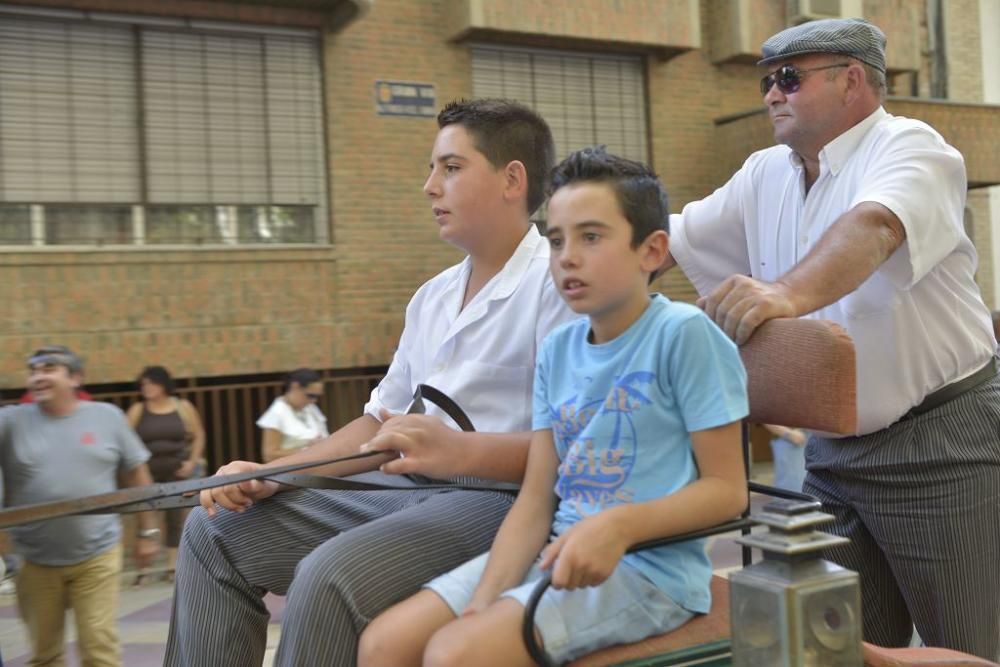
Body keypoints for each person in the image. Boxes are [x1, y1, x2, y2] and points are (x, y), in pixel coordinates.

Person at [164, 98, 578, 666]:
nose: (429, 186)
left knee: (328, 576)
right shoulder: (431, 297)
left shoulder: (558, 287)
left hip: (502, 502)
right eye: (433, 169)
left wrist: (460, 450)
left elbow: (579, 447)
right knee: (213, 533)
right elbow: (377, 422)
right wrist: (274, 475)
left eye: (451, 168)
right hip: (409, 493)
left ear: (512, 180)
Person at [662, 17, 1000, 659]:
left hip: (941, 445)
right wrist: (573, 245)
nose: (770, 95)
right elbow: (668, 240)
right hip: (832, 456)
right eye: (767, 81)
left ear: (852, 81)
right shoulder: (764, 172)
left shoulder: (912, 148)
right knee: (838, 646)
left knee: (970, 644)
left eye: (789, 78)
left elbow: (874, 226)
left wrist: (783, 294)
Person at [357, 148, 749, 667]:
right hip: (559, 550)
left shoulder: (684, 335)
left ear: (652, 251)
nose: (566, 256)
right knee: (385, 644)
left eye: (591, 237)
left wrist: (618, 526)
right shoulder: (559, 351)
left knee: (456, 656)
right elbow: (537, 499)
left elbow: (728, 491)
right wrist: (483, 600)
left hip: (650, 569)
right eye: (557, 239)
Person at [0, 345, 160, 666]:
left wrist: (148, 531)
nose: (38, 377)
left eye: (49, 369)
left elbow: (137, 473)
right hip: (33, 558)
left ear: (75, 378)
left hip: (97, 553)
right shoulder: (10, 422)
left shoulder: (107, 417)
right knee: (46, 654)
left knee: (99, 646)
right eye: (33, 370)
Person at [126, 365, 206, 585]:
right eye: (143, 384)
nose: (147, 388)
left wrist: (191, 461)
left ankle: (172, 566)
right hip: (147, 471)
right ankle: (143, 568)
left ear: (163, 384)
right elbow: (125, 438)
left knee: (175, 518)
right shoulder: (138, 410)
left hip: (177, 470)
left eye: (151, 383)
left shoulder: (182, 407)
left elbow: (198, 435)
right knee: (145, 515)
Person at [255, 367, 328, 463]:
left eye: (317, 396)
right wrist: (307, 450)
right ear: (295, 386)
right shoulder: (276, 414)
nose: (314, 400)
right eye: (310, 395)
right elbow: (269, 455)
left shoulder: (311, 408)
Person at [761, 423, 808, 492]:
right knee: (790, 487)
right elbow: (764, 416)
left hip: (811, 436)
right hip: (789, 440)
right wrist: (789, 434)